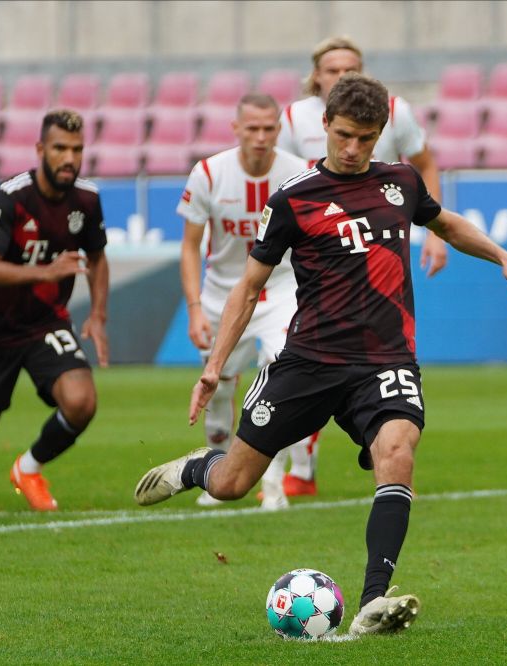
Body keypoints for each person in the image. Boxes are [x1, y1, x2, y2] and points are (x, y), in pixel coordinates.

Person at [134, 73, 507, 635]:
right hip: (308, 361)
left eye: (366, 138)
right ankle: (196, 467)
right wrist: (213, 367)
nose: (353, 149)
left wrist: (503, 256)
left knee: (398, 450)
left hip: (384, 360)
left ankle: (375, 600)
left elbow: (446, 224)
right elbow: (248, 289)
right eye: (344, 135)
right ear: (324, 126)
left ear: (380, 136)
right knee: (231, 486)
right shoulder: (294, 199)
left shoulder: (401, 182)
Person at [275, 35, 449, 497]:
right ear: (316, 76)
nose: (341, 76)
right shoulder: (293, 117)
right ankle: (300, 468)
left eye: (350, 68)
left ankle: (355, 441)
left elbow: (426, 164)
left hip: (377, 250)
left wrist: (433, 232)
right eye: (332, 69)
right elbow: (283, 179)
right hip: (314, 250)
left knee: (367, 354)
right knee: (305, 353)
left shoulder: (394, 110)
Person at [0, 109, 109, 511]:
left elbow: (98, 258)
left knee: (82, 401)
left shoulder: (86, 199)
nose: (69, 157)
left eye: (77, 149)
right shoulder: (11, 196)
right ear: (40, 150)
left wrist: (98, 316)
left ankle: (29, 468)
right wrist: (45, 271)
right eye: (59, 148)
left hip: (45, 323)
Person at [179, 93, 312, 510]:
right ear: (235, 129)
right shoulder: (209, 174)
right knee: (217, 387)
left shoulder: (299, 173)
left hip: (282, 288)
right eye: (251, 128)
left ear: (278, 129)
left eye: (268, 128)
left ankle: (271, 481)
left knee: (282, 373)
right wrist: (195, 307)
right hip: (223, 294)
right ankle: (217, 475)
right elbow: (189, 247)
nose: (260, 136)